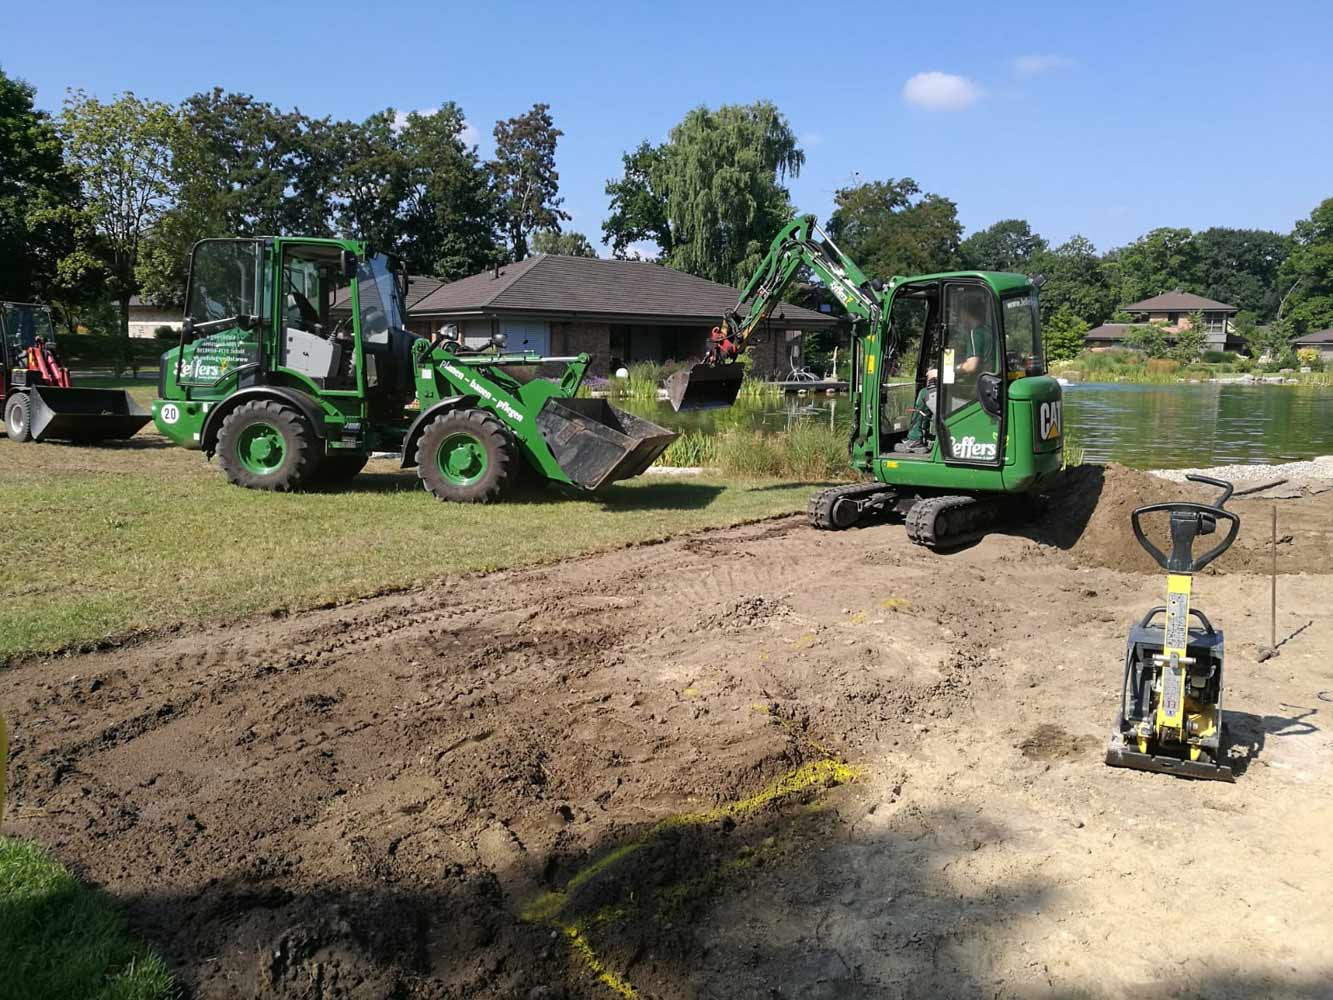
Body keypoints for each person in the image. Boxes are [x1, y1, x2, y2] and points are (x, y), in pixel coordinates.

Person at [894, 291, 994, 454]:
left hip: (972, 392)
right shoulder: (988, 331)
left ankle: (915, 439)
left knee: (925, 394)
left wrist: (940, 373)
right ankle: (923, 436)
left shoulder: (975, 333)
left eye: (960, 313)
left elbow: (972, 366)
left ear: (966, 313)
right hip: (983, 387)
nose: (960, 318)